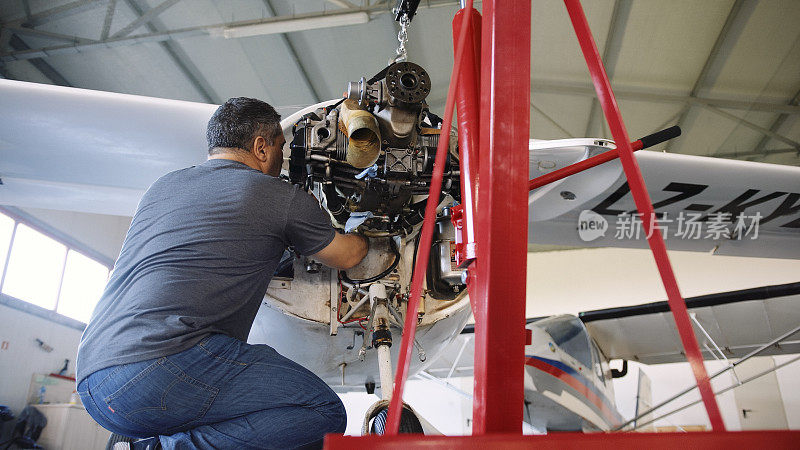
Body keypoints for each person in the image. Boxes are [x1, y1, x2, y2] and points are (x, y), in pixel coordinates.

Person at [76, 97, 369, 449]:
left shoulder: (163, 186)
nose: (281, 157)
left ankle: (134, 441)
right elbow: (347, 255)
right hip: (162, 366)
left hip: (95, 381)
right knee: (321, 412)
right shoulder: (276, 195)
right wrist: (372, 231)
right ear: (261, 147)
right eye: (280, 146)